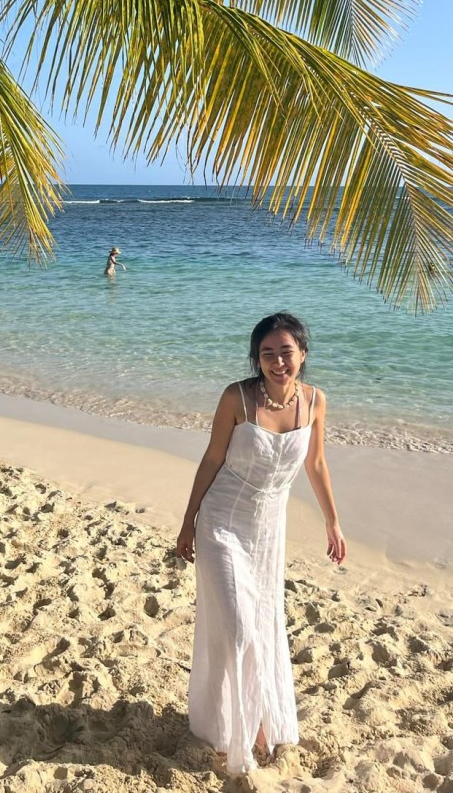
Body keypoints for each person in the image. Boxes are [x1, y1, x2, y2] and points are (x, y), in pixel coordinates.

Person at [176, 312, 346, 779]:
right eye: (267, 353)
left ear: (302, 354)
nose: (277, 361)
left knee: (263, 622)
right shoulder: (237, 397)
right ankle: (242, 728)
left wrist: (333, 522)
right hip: (221, 523)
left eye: (286, 352)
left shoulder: (315, 402)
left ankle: (256, 718)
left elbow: (316, 464)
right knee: (237, 628)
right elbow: (213, 457)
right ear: (256, 359)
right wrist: (188, 521)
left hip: (269, 531)